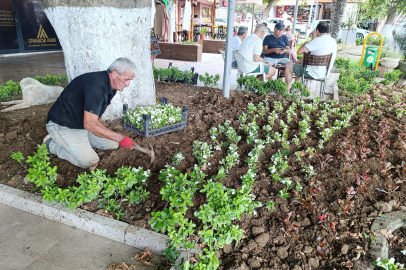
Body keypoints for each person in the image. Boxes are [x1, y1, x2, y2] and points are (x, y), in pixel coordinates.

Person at [43, 58, 140, 169]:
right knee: (89, 162)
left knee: (113, 144)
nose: (128, 84)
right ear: (114, 74)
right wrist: (120, 137)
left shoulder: (111, 86)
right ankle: (51, 144)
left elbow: (96, 113)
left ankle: (80, 142)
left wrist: (99, 131)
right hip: (63, 125)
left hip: (82, 125)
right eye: (126, 79)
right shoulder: (96, 87)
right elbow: (89, 124)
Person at [285, 22, 337, 90]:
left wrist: (306, 43)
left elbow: (299, 52)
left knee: (288, 67)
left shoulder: (317, 41)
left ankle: (287, 89)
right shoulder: (333, 41)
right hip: (325, 73)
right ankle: (296, 88)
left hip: (312, 72)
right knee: (298, 67)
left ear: (317, 30)